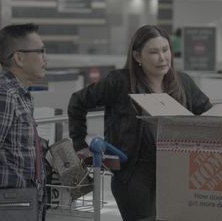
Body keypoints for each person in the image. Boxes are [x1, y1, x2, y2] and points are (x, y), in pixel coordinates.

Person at [68, 24, 212, 221]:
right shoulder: (120, 82)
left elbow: (210, 115)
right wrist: (79, 144)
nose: (162, 58)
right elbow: (78, 101)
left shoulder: (182, 83)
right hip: (133, 175)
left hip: (174, 174)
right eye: (153, 52)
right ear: (137, 57)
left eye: (165, 50)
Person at [0, 23, 48, 220]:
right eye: (40, 51)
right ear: (18, 58)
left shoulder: (21, 95)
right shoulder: (2, 95)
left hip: (23, 203)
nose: (45, 58)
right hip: (6, 206)